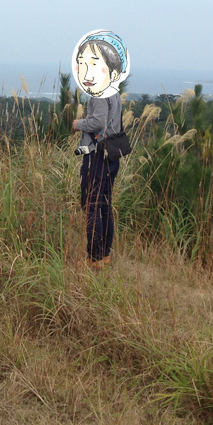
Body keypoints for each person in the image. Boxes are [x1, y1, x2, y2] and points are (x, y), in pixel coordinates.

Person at [71, 32, 128, 269]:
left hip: (96, 155)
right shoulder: (114, 92)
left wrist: (78, 124)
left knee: (92, 204)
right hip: (111, 154)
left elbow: (97, 123)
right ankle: (104, 253)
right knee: (104, 202)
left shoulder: (99, 94)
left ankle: (94, 258)